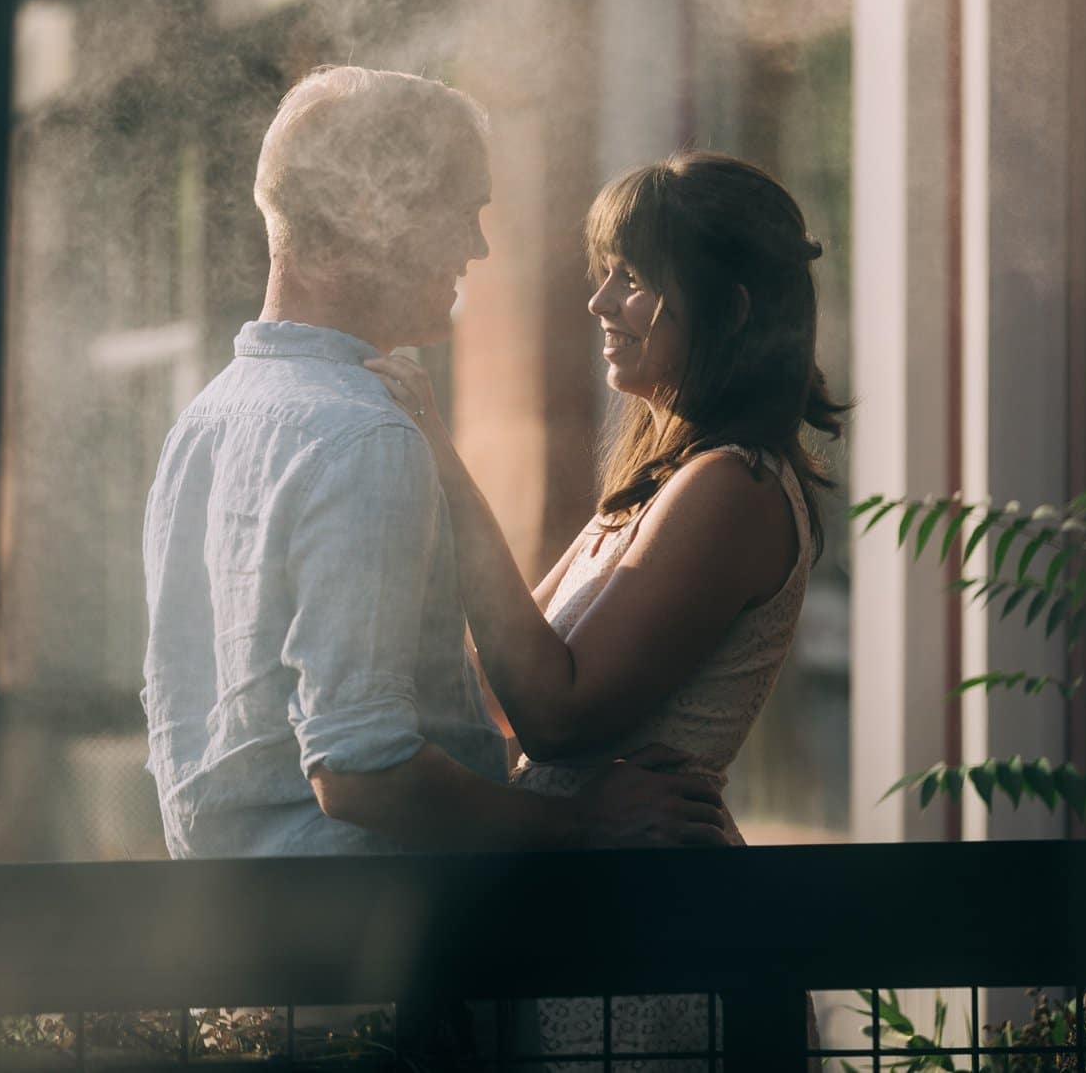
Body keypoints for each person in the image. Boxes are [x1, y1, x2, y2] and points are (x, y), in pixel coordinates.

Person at [141, 66, 727, 858]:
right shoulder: (362, 436)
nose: (478, 245)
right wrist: (587, 821)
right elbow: (361, 771)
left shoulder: (204, 422)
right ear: (365, 209)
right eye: (461, 211)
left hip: (245, 951)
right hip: (370, 960)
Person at [369, 149, 847, 1066]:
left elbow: (553, 714)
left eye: (631, 280)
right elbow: (502, 692)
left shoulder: (733, 487)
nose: (599, 305)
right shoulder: (657, 486)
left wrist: (439, 453)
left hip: (653, 944)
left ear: (730, 308)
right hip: (590, 921)